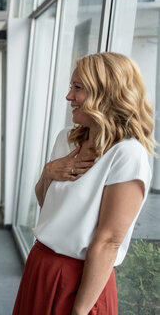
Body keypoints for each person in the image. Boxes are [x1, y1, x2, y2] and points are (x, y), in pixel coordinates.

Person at [12, 52, 155, 315]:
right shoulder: (66, 139)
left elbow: (109, 241)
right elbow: (47, 204)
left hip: (82, 279)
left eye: (78, 88)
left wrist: (79, 311)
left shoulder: (127, 154)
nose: (69, 96)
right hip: (41, 264)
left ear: (106, 93)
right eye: (71, 87)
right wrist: (48, 173)